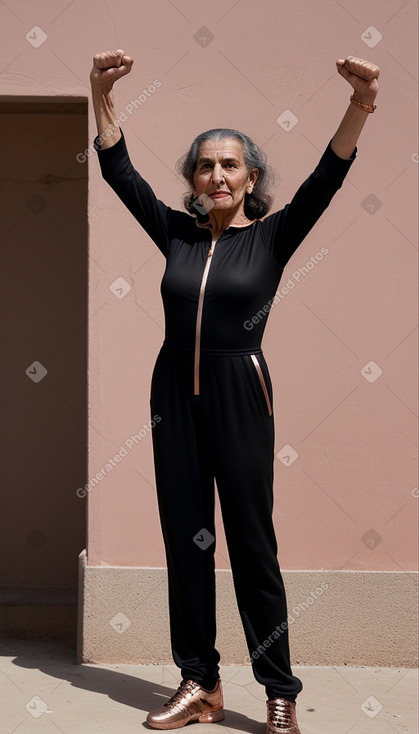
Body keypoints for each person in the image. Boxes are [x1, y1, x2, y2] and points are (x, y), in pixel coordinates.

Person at [90, 49, 379, 734]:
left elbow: (327, 176)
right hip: (173, 396)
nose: (215, 174)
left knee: (251, 542)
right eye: (204, 164)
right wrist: (99, 94)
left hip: (239, 392)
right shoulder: (177, 235)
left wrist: (359, 104)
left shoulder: (272, 238)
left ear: (250, 178)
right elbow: (117, 169)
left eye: (229, 164)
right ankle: (200, 682)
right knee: (185, 539)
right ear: (193, 178)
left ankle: (278, 688)